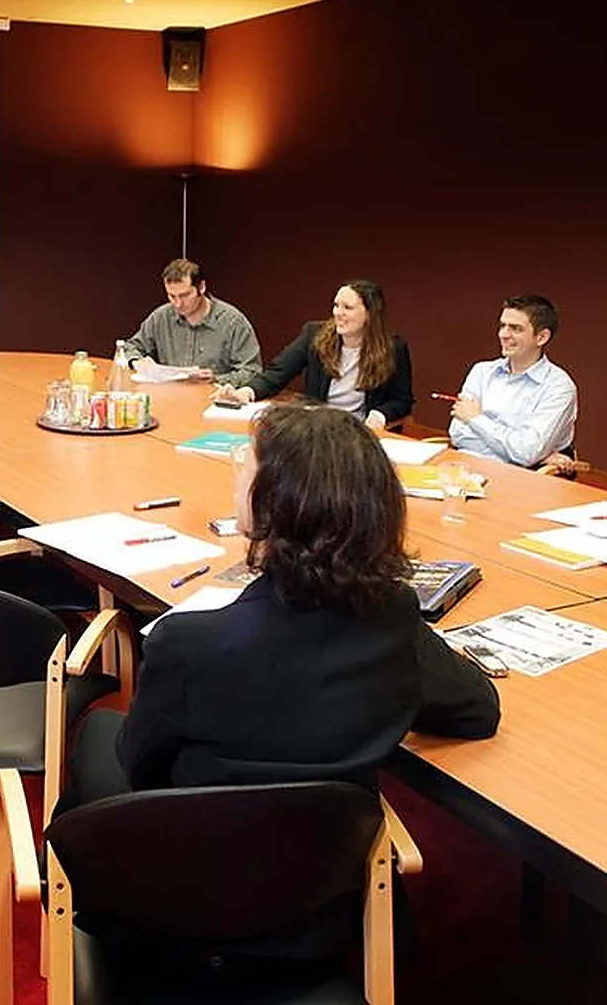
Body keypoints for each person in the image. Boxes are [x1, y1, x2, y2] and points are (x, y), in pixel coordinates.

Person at [59, 402, 499, 815]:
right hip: (327, 873)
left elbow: (141, 769)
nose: (235, 478)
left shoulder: (185, 644)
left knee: (97, 734)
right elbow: (477, 710)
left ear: (271, 504)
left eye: (243, 468)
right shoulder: (394, 619)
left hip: (189, 863)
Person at [211, 280, 414, 430]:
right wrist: (245, 393)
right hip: (317, 428)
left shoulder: (393, 348)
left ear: (370, 314)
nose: (338, 313)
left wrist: (380, 415)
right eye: (336, 306)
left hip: (359, 432)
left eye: (348, 308)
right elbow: (277, 373)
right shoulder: (314, 335)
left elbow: (402, 400)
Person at [447, 295, 578, 469]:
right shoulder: (481, 372)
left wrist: (475, 418)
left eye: (516, 329)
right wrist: (533, 455)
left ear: (542, 337)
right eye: (502, 326)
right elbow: (458, 435)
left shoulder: (559, 387)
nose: (504, 335)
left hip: (522, 479)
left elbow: (526, 452)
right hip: (466, 467)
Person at [122, 258, 262, 386]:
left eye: (185, 295)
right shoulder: (162, 316)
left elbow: (252, 372)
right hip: (170, 397)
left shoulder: (232, 322)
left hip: (211, 400)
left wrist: (217, 380)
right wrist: (137, 362)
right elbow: (130, 347)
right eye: (172, 296)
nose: (178, 304)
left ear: (201, 287)